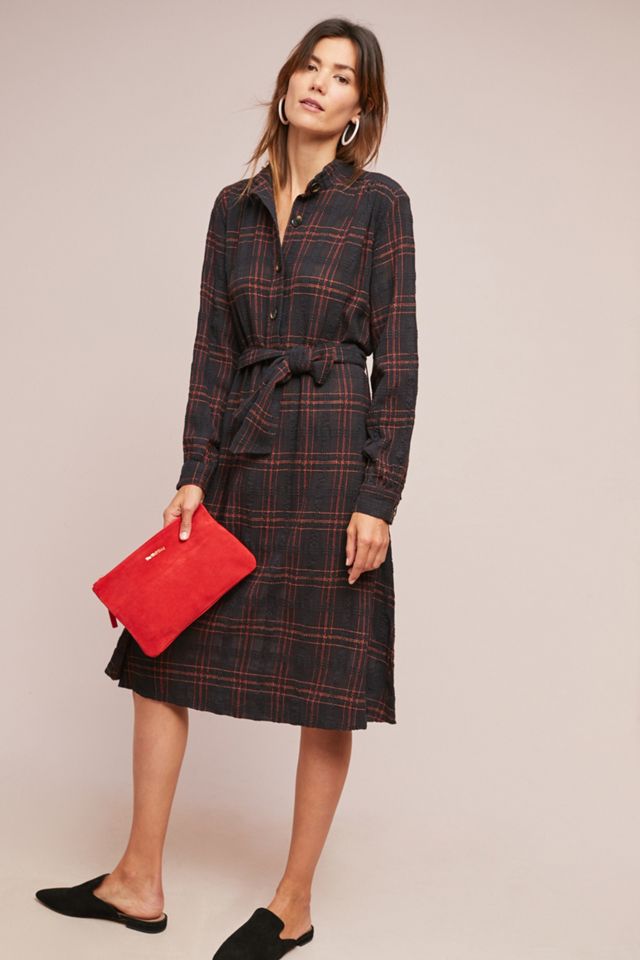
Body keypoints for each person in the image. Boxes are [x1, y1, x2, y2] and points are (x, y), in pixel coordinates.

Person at [35, 17, 419, 960]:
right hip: (244, 449)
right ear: (287, 81)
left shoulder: (378, 205)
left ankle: (293, 903)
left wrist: (379, 495)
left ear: (359, 107)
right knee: (156, 651)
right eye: (310, 66)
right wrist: (192, 473)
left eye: (342, 76)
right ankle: (138, 881)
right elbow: (212, 349)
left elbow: (401, 361)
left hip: (332, 459)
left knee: (327, 684)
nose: (319, 83)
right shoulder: (232, 208)